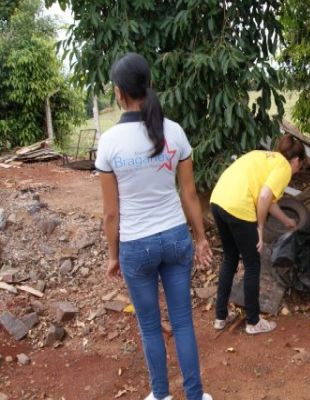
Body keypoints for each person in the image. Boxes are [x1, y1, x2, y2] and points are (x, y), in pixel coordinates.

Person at [95, 52, 213, 400]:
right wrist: (201, 238)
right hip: (176, 238)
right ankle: (195, 395)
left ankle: (159, 395)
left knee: (149, 327)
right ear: (148, 84)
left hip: (136, 245)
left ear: (118, 92)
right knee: (182, 322)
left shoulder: (110, 144)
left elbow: (110, 214)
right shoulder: (174, 132)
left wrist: (112, 256)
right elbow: (190, 195)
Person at [210, 134, 305, 334]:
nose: (297, 171)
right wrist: (259, 228)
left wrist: (287, 221)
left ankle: (220, 316)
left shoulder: (262, 156)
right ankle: (253, 322)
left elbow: (268, 200)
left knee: (230, 258)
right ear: (296, 160)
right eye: (300, 166)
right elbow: (263, 196)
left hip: (218, 201)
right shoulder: (284, 168)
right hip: (238, 206)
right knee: (253, 263)